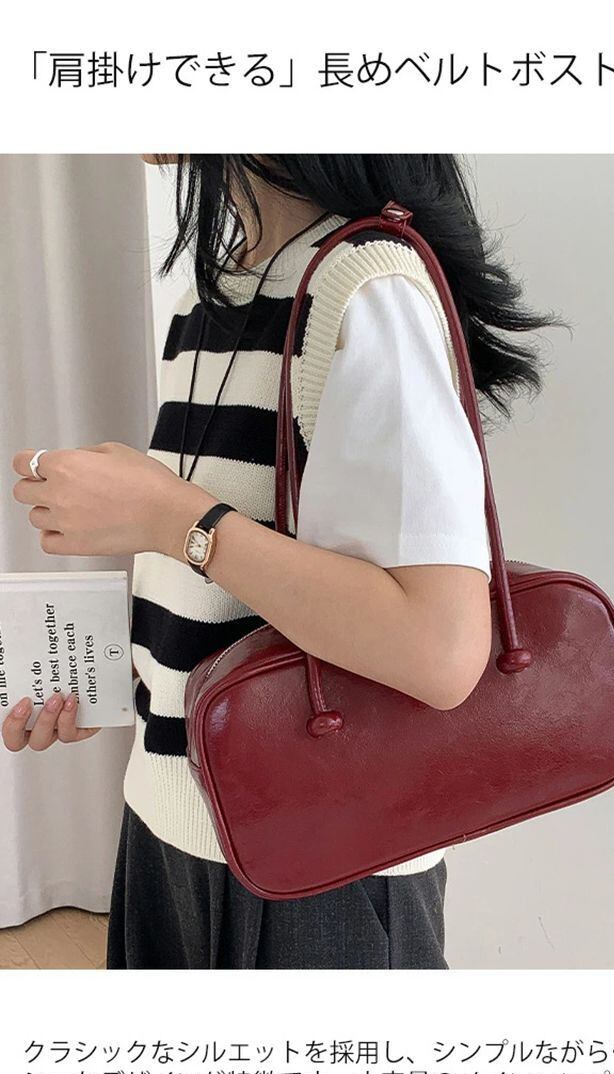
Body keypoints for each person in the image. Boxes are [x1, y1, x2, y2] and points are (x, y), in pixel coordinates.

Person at [4, 154, 549, 969]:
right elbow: (234, 588)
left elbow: (436, 651)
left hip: (319, 857)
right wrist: (103, 674)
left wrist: (168, 515)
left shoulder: (365, 284)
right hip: (168, 825)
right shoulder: (215, 294)